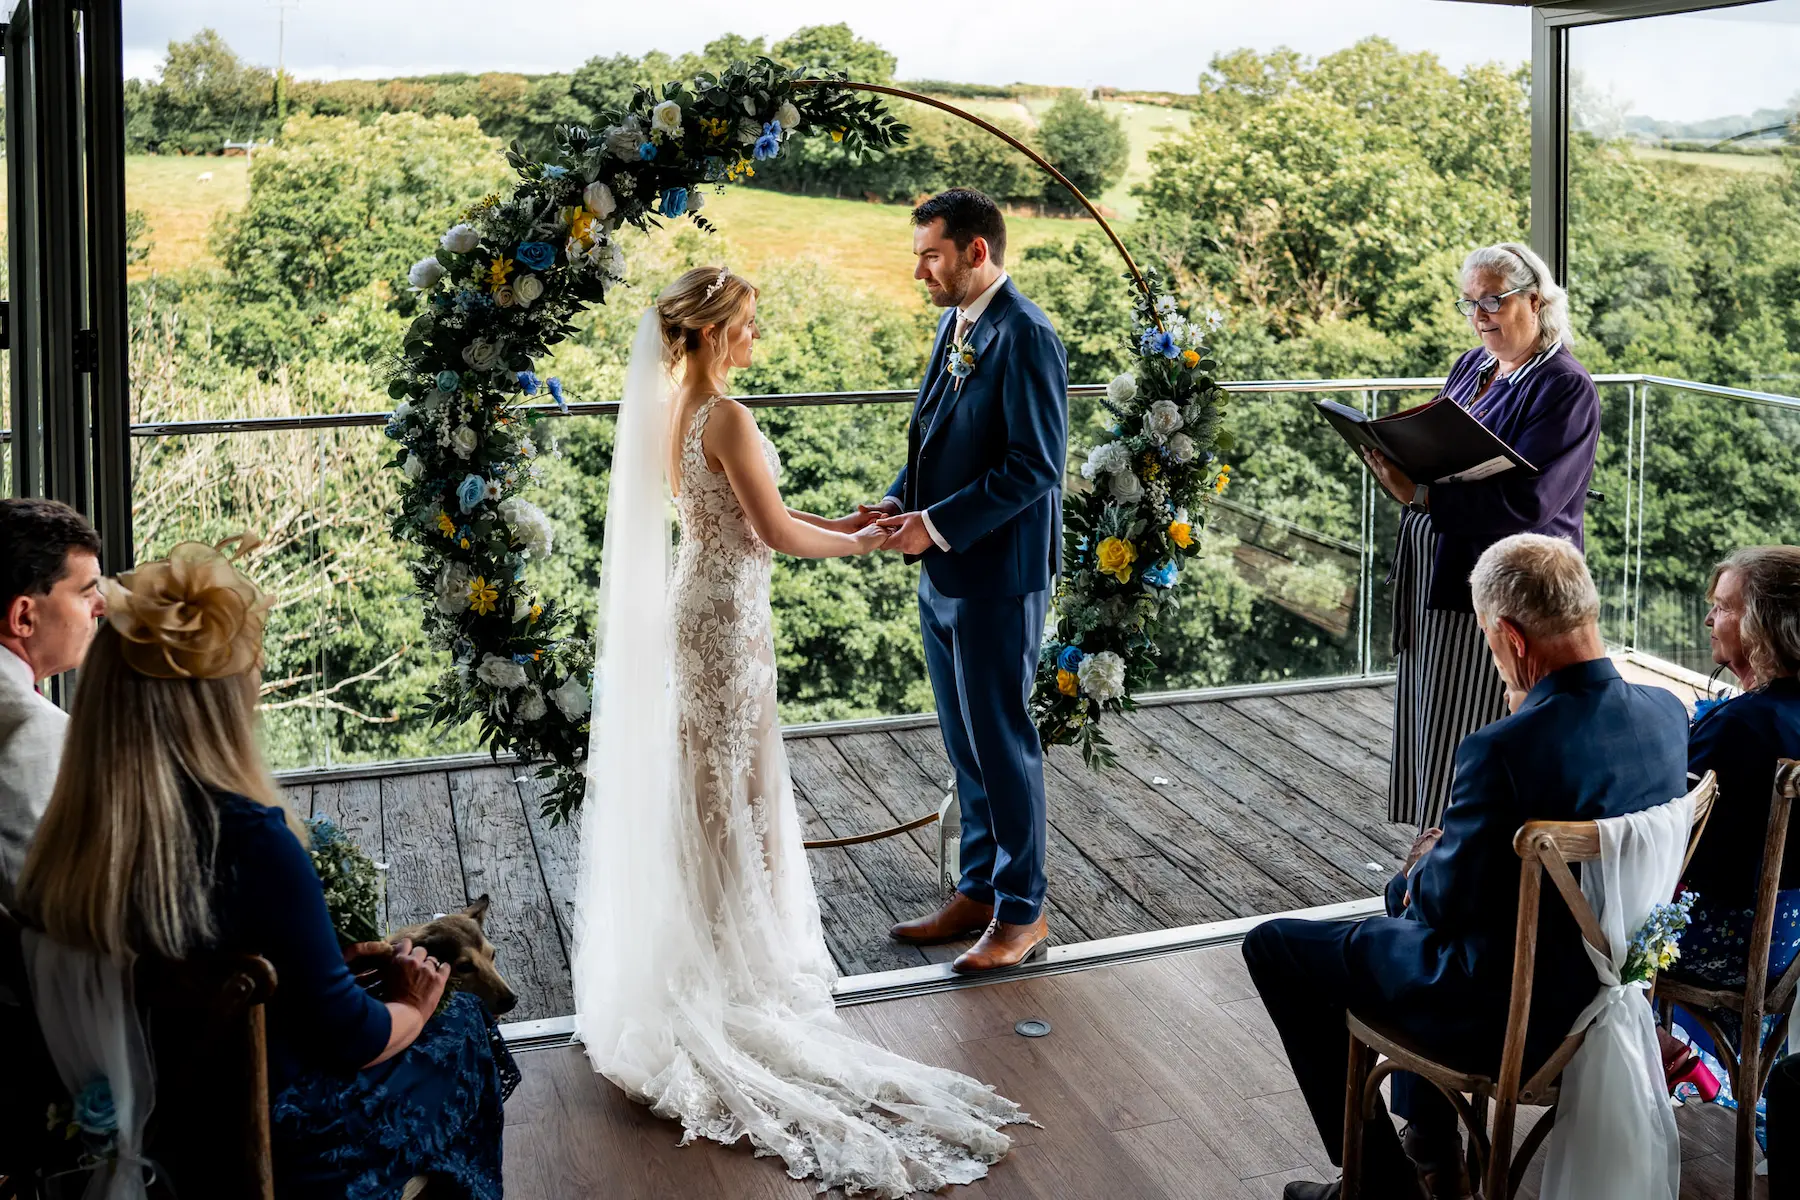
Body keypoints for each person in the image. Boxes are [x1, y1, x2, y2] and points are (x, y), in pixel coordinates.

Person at [571, 265, 1027, 1198]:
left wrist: (849, 516)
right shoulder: (726, 415)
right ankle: (723, 970)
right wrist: (865, 543)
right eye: (745, 322)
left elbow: (747, 517)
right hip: (725, 620)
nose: (755, 335)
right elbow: (773, 533)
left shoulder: (677, 412)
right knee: (726, 785)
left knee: (713, 786)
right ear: (705, 334)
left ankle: (709, 947)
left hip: (709, 606)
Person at [15, 538, 505, 1200]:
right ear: (219, 707)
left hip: (157, 1123)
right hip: (267, 1136)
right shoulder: (250, 840)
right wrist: (413, 1005)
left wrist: (325, 968)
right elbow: (352, 1037)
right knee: (462, 1027)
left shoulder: (71, 839)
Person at [1243, 534, 1688, 1200]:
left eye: (1486, 639)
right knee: (1422, 926)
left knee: (1277, 945)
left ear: (1510, 637)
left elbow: (1441, 906)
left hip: (1507, 1021)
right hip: (1607, 995)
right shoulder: (1665, 714)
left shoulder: (1501, 751)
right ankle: (1431, 1146)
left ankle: (1378, 1188)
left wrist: (1416, 868)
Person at [872, 188, 1070, 973]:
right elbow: (933, 438)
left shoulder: (1026, 335)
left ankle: (1023, 914)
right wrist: (899, 499)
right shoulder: (956, 325)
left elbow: (1035, 466)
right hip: (943, 571)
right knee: (965, 744)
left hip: (998, 576)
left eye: (931, 254)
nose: (920, 269)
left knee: (1002, 742)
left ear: (975, 252)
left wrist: (934, 524)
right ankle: (979, 890)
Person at [1366, 242, 1600, 831]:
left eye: (1494, 300)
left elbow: (1533, 501)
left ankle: (1461, 859)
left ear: (1536, 300)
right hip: (1440, 566)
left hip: (1508, 585)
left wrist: (1421, 495)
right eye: (1470, 303)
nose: (1481, 316)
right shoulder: (1473, 366)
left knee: (1469, 725)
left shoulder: (1565, 387)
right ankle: (1430, 852)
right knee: (1432, 714)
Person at [1662, 546, 1800, 1161]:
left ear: (1765, 624)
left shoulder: (1738, 728)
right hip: (1790, 943)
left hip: (1729, 947)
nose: (1709, 621)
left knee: (1591, 917)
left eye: (1721, 608)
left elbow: (1668, 841)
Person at [0, 498, 104, 907]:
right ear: (24, 617)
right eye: (86, 592)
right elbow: (58, 907)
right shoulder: (34, 732)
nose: (102, 606)